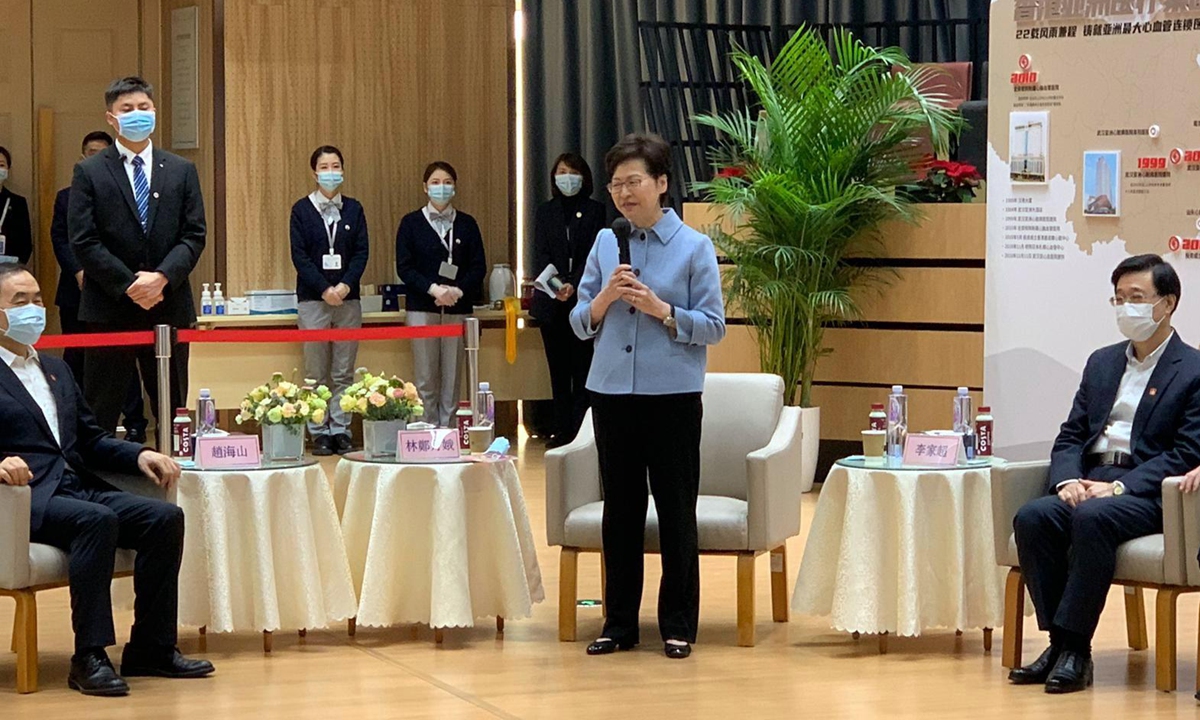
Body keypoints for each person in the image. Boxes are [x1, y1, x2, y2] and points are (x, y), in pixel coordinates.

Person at [0, 263, 214, 697]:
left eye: (38, 300)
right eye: (19, 302)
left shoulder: (56, 370)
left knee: (162, 518)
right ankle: (89, 656)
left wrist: (141, 453)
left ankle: (152, 647)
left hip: (74, 486)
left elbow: (92, 440)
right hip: (24, 498)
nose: (34, 309)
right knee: (95, 520)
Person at [1009, 254, 1200, 694]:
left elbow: (1185, 453)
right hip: (1090, 480)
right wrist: (1067, 480)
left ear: (1167, 303)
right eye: (1118, 299)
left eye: (1137, 298)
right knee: (1034, 518)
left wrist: (1117, 486)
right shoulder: (1102, 362)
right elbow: (1071, 435)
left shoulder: (1191, 370)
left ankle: (1074, 649)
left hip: (1146, 492)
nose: (1125, 308)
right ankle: (1060, 644)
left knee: (1092, 519)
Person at [569, 133, 726, 660]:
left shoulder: (694, 247)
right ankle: (618, 625)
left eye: (633, 182)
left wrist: (662, 310)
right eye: (615, 184)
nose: (623, 193)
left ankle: (678, 623)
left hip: (672, 397)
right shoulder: (604, 243)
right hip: (612, 392)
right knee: (621, 512)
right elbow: (578, 321)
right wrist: (603, 301)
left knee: (676, 511)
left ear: (661, 184)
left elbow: (714, 327)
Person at [69, 76, 205, 434]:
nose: (137, 115)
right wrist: (130, 285)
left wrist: (161, 278)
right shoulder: (89, 171)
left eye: (143, 108)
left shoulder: (180, 170)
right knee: (102, 407)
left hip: (168, 301)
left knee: (173, 406)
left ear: (155, 111)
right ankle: (98, 481)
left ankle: (176, 476)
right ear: (111, 118)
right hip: (110, 305)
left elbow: (194, 235)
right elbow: (83, 240)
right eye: (127, 109)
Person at [51, 131, 148, 444]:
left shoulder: (128, 195)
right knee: (77, 359)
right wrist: (79, 271)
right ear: (82, 156)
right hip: (76, 290)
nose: (95, 157)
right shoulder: (66, 196)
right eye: (90, 152)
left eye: (101, 153)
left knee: (124, 359)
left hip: (116, 290)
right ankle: (74, 423)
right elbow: (63, 239)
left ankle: (134, 422)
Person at [291, 145, 369, 455]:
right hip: (314, 299)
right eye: (324, 166)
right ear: (314, 172)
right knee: (315, 371)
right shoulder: (301, 209)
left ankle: (341, 428)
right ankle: (318, 430)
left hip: (349, 300)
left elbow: (362, 252)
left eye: (336, 165)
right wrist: (325, 289)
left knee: (343, 371)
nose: (331, 171)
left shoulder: (354, 209)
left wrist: (346, 286)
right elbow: (299, 256)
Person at [395, 161, 486, 427]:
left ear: (454, 187)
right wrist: (432, 288)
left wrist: (458, 290)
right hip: (422, 308)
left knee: (452, 376)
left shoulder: (467, 224)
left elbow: (478, 265)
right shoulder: (411, 223)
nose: (441, 188)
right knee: (425, 377)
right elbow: (404, 266)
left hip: (457, 309)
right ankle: (426, 429)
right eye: (435, 182)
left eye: (447, 182)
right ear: (425, 187)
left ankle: (447, 431)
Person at [531, 153, 604, 448]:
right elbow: (540, 254)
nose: (567, 177)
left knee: (583, 371)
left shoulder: (596, 210)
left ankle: (581, 432)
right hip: (552, 304)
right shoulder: (545, 212)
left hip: (584, 301)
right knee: (558, 373)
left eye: (573, 172)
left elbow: (592, 253)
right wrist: (558, 286)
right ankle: (561, 430)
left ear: (584, 177)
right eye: (562, 171)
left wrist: (575, 284)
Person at [0, 145, 33, 264]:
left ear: (8, 169)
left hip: (9, 270)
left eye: (1, 165)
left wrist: (15, 269)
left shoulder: (18, 203)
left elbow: (26, 244)